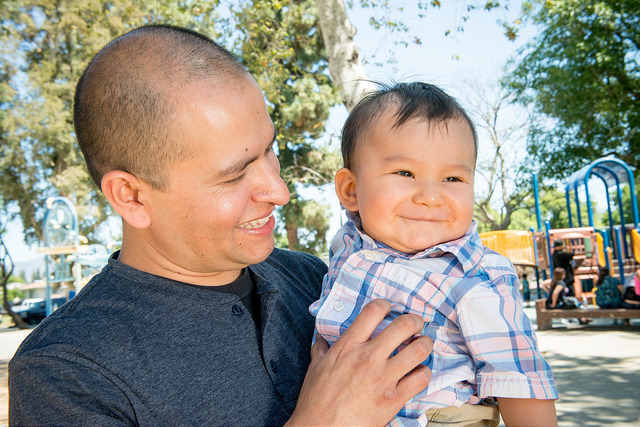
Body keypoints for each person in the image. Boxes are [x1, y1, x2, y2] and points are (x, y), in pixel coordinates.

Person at [8, 25, 434, 426]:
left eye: (269, 149)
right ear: (132, 196)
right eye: (233, 175)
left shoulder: (316, 280)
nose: (278, 191)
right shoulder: (65, 371)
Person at [310, 82, 558, 427]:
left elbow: (520, 380)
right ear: (351, 191)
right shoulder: (348, 243)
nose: (430, 196)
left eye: (453, 178)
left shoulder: (475, 276)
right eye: (405, 173)